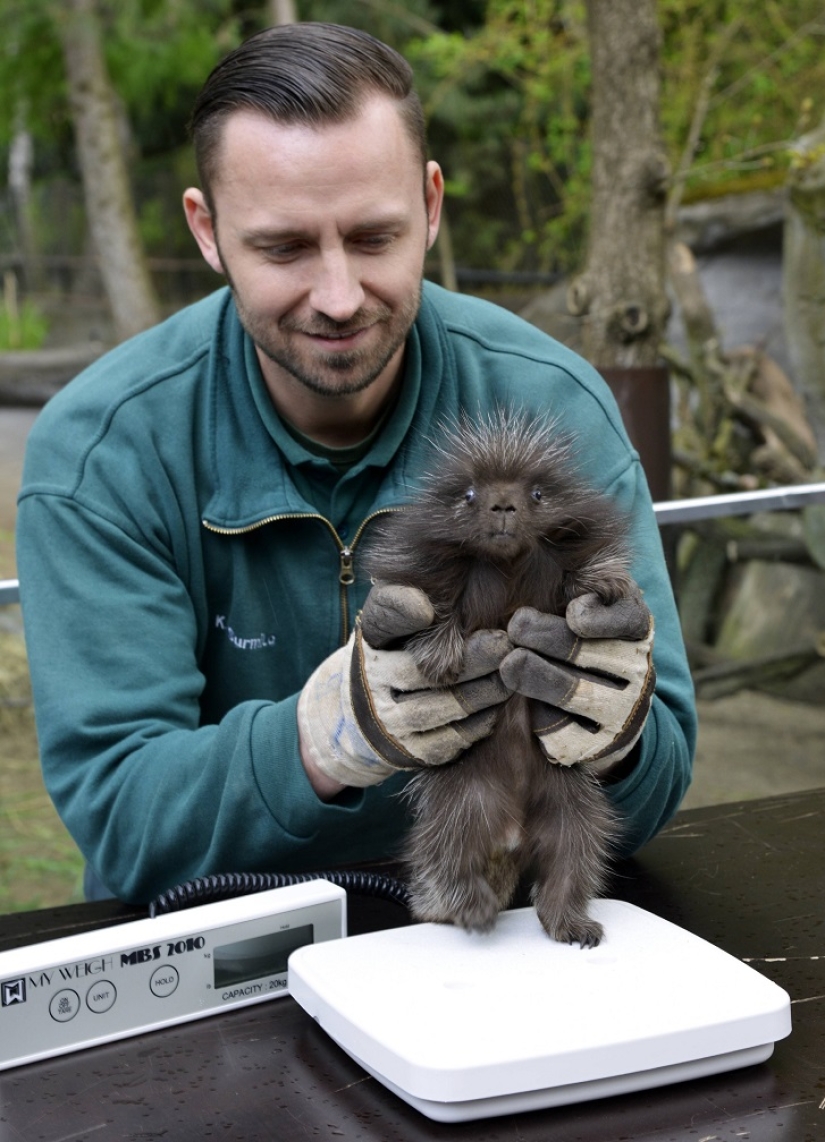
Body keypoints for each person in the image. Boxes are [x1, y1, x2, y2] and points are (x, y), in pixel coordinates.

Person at [16, 22, 696, 906]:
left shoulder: (553, 408)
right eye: (284, 247)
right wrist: (330, 733)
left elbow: (661, 777)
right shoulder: (102, 451)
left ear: (432, 205)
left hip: (490, 933)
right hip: (220, 949)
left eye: (375, 237)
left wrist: (619, 735)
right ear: (207, 230)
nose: (338, 298)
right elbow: (123, 818)